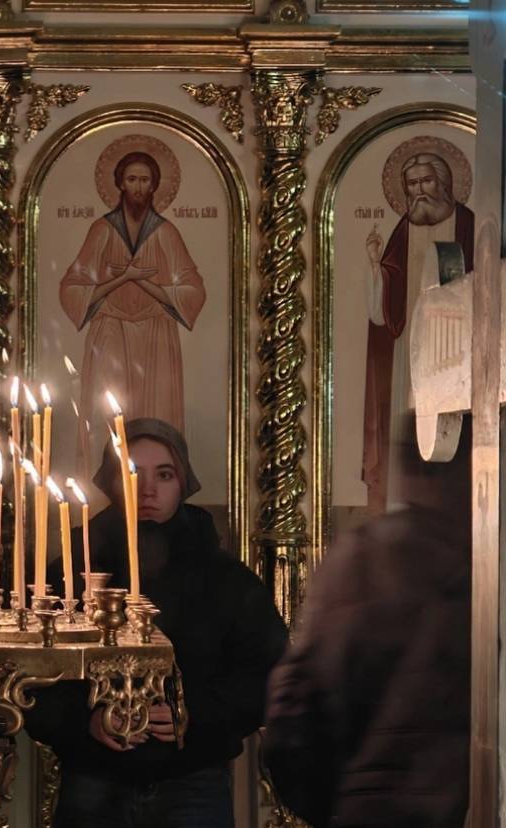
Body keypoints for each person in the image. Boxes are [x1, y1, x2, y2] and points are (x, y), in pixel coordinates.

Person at [30, 418, 287, 827]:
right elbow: (31, 674)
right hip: (93, 782)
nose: (147, 489)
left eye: (164, 475)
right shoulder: (74, 573)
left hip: (192, 783)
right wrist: (85, 722)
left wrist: (195, 712)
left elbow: (268, 673)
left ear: (183, 483)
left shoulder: (225, 579)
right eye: (132, 473)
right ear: (111, 481)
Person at [263, 436, 470, 827]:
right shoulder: (466, 568)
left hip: (366, 806)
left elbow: (295, 707)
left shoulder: (359, 557)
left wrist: (334, 805)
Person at [59, 152, 206, 478]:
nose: (138, 187)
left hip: (156, 336)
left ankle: (157, 491)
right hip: (110, 332)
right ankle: (103, 495)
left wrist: (142, 281)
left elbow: (193, 290)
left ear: (154, 186)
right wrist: (124, 278)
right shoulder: (102, 230)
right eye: (131, 179)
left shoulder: (166, 233)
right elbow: (72, 287)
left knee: (157, 418)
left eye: (144, 180)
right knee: (106, 418)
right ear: (120, 184)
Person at [363, 151, 474, 511]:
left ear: (444, 183)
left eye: (427, 181)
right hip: (412, 342)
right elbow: (385, 301)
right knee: (412, 420)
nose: (420, 190)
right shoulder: (403, 230)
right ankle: (404, 501)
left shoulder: (467, 223)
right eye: (412, 184)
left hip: (458, 348)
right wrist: (375, 266)